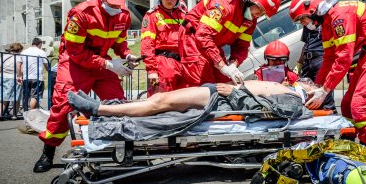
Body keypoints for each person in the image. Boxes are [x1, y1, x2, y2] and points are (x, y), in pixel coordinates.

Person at [33, 0, 140, 173]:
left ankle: (124, 150)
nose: (115, 7)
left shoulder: (123, 15)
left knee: (119, 104)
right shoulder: (81, 13)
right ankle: (48, 153)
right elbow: (75, 51)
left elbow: (119, 42)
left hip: (102, 64)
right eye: (111, 2)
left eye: (119, 3)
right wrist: (108, 64)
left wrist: (126, 54)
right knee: (63, 108)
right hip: (75, 64)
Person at [289, 0, 366, 147]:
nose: (302, 23)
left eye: (302, 18)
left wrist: (325, 90)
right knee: (347, 105)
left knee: (361, 105)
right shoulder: (327, 24)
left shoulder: (339, 16)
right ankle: (348, 143)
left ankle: (365, 149)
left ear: (312, 9)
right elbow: (329, 59)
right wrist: (318, 87)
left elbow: (344, 58)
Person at [179, 0, 282, 86]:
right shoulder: (224, 4)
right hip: (192, 38)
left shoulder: (251, 19)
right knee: (202, 84)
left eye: (263, 14)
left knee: (224, 83)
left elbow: (242, 46)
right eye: (260, 10)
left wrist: (233, 65)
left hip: (213, 44)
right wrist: (222, 66)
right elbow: (203, 35)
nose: (259, 15)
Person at [68, 80, 315, 118]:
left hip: (221, 99)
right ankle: (107, 106)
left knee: (160, 102)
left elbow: (262, 110)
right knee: (160, 99)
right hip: (220, 92)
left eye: (311, 83)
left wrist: (234, 92)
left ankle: (98, 109)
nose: (308, 80)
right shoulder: (289, 88)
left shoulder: (294, 100)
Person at [141, 0, 186, 94]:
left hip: (183, 65)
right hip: (162, 66)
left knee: (184, 103)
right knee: (159, 104)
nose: (169, 0)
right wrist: (152, 70)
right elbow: (147, 45)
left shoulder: (183, 15)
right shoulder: (152, 16)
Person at [294, 19, 336, 112]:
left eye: (302, 20)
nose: (302, 22)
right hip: (308, 61)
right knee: (306, 93)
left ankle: (331, 117)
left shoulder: (324, 21)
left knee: (324, 96)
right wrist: (299, 64)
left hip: (321, 59)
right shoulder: (307, 24)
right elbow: (306, 44)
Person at [17, 37, 49, 111]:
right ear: (40, 44)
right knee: (35, 96)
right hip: (37, 77)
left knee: (26, 96)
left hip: (25, 77)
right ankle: (31, 114)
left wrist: (19, 76)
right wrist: (49, 72)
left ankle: (25, 112)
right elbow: (46, 65)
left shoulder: (24, 52)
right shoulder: (41, 52)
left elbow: (18, 65)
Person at [0, 43, 24, 120]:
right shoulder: (18, 57)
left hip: (3, 77)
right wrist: (19, 76)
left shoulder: (3, 56)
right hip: (13, 77)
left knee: (4, 97)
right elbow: (18, 67)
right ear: (19, 49)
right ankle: (14, 115)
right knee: (16, 97)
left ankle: (0, 114)